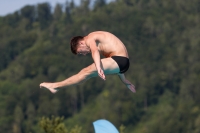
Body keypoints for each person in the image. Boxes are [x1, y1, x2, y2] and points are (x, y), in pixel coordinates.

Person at [40, 31, 135, 93]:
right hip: (122, 64)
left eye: (81, 52)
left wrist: (98, 67)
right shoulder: (98, 39)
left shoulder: (90, 38)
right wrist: (124, 80)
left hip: (120, 61)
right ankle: (56, 86)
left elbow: (94, 51)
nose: (84, 54)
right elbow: (116, 57)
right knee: (85, 74)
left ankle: (55, 86)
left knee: (85, 72)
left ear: (81, 43)